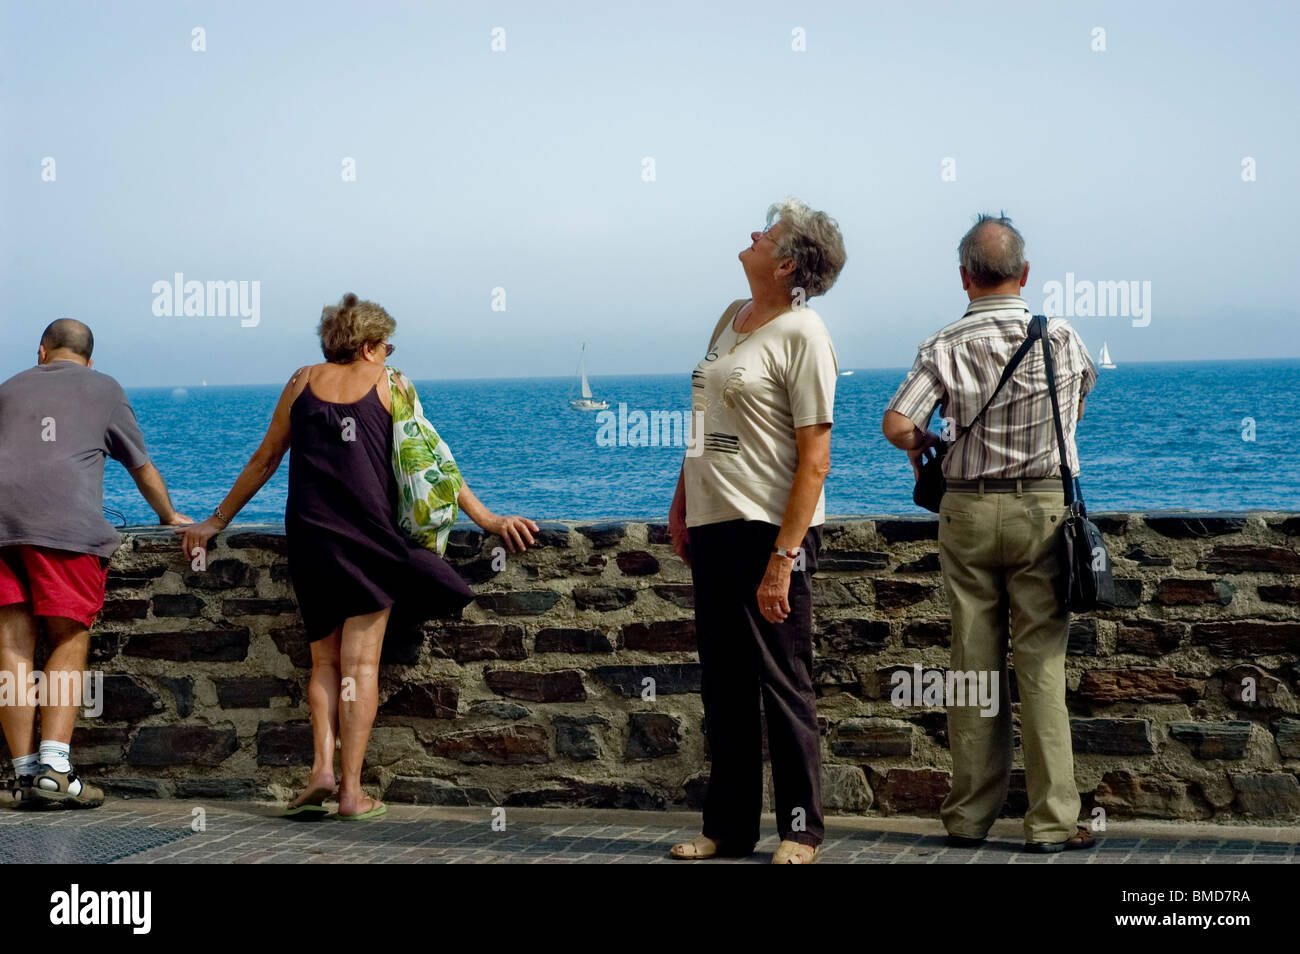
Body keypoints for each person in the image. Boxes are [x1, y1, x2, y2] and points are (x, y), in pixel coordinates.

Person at [177, 293, 538, 820]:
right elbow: (433, 463)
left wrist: (216, 521)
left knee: (324, 660)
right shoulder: (393, 385)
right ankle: (350, 791)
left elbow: (265, 459)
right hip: (368, 537)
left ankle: (320, 769)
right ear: (369, 346)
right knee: (361, 663)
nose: (389, 353)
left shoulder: (300, 381)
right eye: (386, 344)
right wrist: (488, 520)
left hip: (310, 535)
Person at [882, 214, 1098, 853]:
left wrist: (929, 443)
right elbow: (1076, 409)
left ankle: (969, 818)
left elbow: (897, 424)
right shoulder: (1060, 336)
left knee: (972, 665)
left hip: (969, 512)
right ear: (1024, 273)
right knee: (1041, 667)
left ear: (964, 277)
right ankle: (1053, 821)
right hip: (1043, 511)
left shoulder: (945, 343)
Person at [667, 199, 845, 864]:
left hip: (771, 530)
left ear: (789, 261)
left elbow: (816, 457)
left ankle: (801, 831)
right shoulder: (730, 319)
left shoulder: (805, 334)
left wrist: (784, 557)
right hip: (715, 526)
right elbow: (703, 419)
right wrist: (682, 499)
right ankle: (730, 828)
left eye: (765, 233)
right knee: (725, 685)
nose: (750, 234)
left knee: (783, 682)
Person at [0, 319, 191, 810]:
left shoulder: (9, 387)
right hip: (64, 526)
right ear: (90, 359)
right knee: (68, 633)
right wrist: (170, 516)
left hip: (1, 526)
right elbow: (139, 464)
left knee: (12, 641)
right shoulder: (105, 387)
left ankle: (23, 774)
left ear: (41, 351)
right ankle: (55, 768)